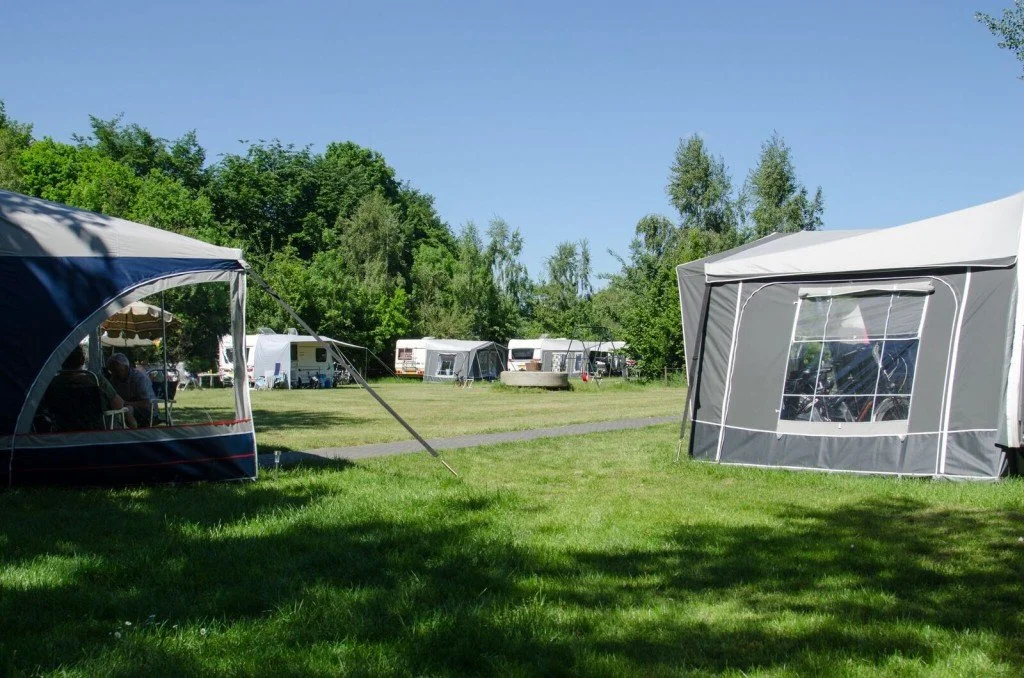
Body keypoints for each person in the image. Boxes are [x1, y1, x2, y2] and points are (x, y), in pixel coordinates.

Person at [38, 345, 126, 432]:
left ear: (61, 360)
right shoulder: (95, 379)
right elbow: (118, 405)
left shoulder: (52, 383)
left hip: (62, 433)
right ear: (82, 360)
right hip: (94, 433)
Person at [107, 352, 157, 427]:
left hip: (148, 412)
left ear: (126, 368)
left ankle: (132, 431)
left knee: (127, 409)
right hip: (127, 408)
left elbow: (146, 403)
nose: (114, 374)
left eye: (117, 371)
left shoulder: (139, 378)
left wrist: (125, 403)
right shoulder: (114, 379)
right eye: (112, 371)